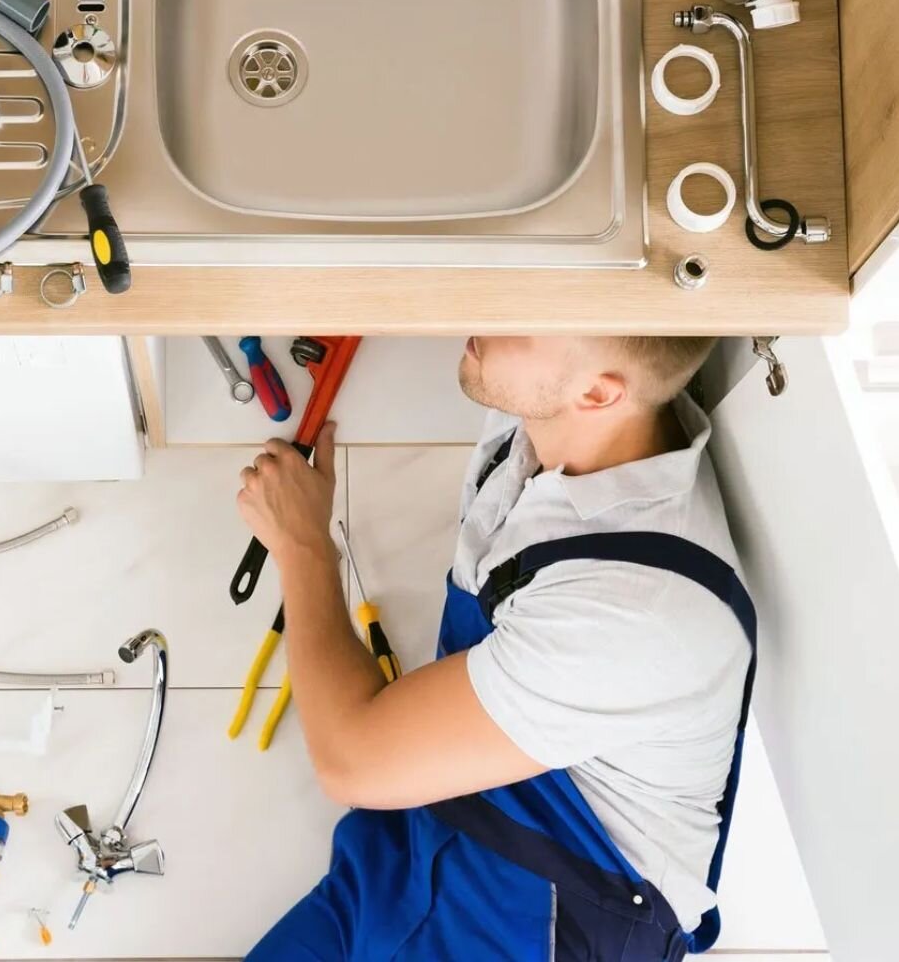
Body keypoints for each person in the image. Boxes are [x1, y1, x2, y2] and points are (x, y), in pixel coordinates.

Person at [235, 336, 756, 962]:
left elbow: (351, 759)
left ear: (598, 391)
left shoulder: (631, 609)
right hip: (419, 844)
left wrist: (302, 545)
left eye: (518, 318)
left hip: (545, 921)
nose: (481, 316)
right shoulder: (559, 413)